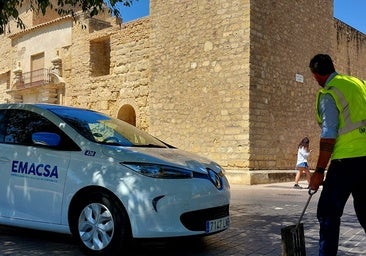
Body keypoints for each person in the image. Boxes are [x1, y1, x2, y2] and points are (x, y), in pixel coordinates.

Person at [308, 53, 366, 256]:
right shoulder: (358, 83)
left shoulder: (329, 93)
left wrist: (319, 172)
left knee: (327, 213)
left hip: (346, 161)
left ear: (316, 75)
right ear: (333, 67)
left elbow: (328, 134)